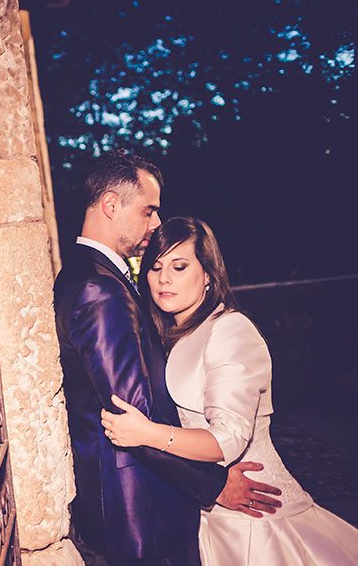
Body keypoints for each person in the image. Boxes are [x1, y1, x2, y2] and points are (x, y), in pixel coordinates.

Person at [53, 150, 282, 566]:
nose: (156, 223)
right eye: (149, 210)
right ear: (110, 204)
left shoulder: (92, 276)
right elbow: (131, 416)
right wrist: (213, 485)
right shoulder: (99, 290)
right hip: (142, 509)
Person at [101, 216, 358, 564]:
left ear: (208, 274)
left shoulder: (230, 330)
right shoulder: (170, 336)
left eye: (179, 266)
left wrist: (147, 433)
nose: (164, 279)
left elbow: (228, 440)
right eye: (155, 267)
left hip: (254, 517)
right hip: (207, 512)